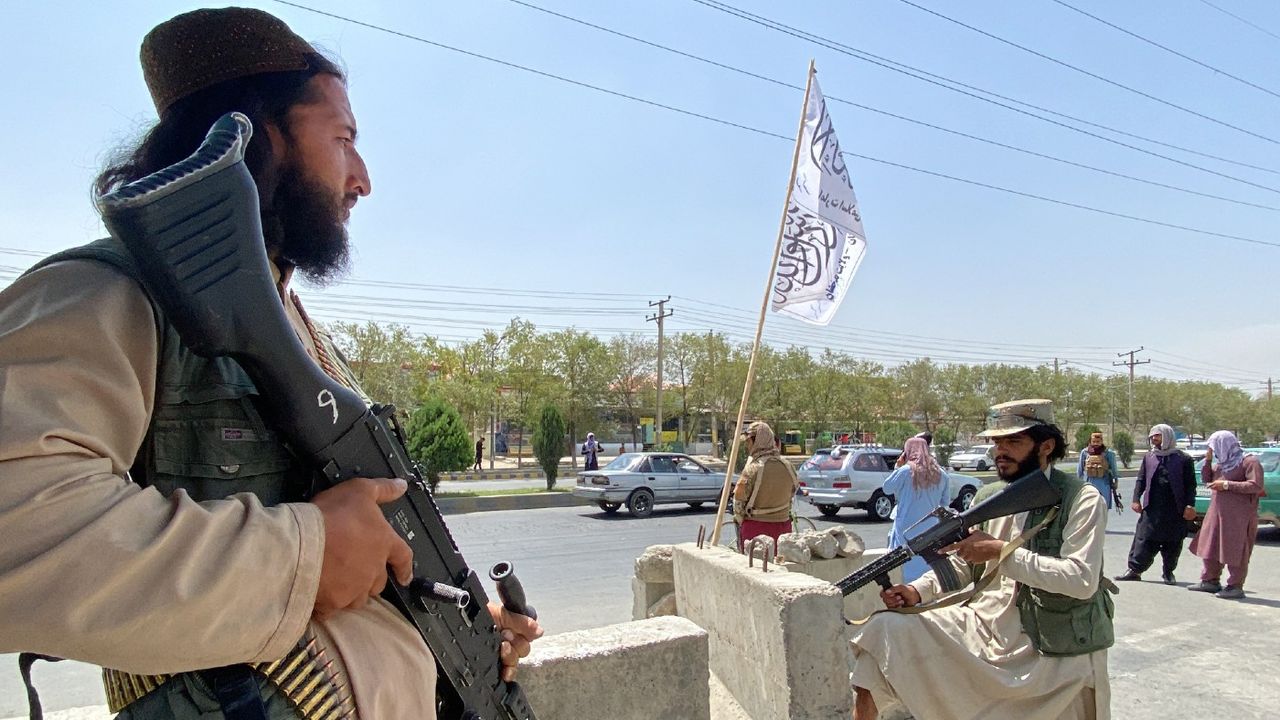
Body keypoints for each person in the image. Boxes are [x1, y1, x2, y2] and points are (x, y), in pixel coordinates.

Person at [0, 8, 540, 718]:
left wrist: (460, 630)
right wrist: (302, 557)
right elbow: (19, 524)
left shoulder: (291, 326)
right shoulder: (109, 293)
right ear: (258, 135)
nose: (363, 178)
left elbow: (363, 568)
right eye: (343, 138)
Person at [850, 399, 1113, 720]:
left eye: (1013, 441)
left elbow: (1081, 581)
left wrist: (1000, 553)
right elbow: (966, 563)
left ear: (1046, 445)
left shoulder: (1081, 499)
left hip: (1048, 645)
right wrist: (918, 591)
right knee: (883, 632)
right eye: (997, 442)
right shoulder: (990, 498)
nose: (1000, 451)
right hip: (986, 626)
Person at [1115, 425, 1197, 585]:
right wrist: (1136, 499)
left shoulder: (1183, 459)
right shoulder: (1149, 457)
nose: (1153, 439)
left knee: (1173, 542)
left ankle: (1168, 573)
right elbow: (1141, 479)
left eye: (1157, 436)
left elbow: (1190, 485)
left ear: (1167, 436)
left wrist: (1189, 504)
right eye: (1152, 436)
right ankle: (1134, 570)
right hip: (1152, 508)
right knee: (1144, 539)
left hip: (1175, 509)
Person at [1188, 430, 1265, 600]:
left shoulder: (1249, 462)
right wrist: (1208, 460)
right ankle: (1209, 580)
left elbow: (1255, 485)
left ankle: (1235, 586)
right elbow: (1206, 477)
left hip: (1239, 517)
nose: (1214, 451)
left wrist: (1227, 485)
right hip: (1217, 514)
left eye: (1215, 447)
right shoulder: (1222, 464)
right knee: (1211, 547)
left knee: (1236, 550)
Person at [882, 437, 950, 582]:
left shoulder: (905, 471)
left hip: (906, 526)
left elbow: (887, 488)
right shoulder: (941, 473)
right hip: (930, 526)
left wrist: (897, 467)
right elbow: (945, 502)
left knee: (905, 562)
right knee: (926, 562)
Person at [732, 421, 800, 551]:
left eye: (748, 442)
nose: (747, 446)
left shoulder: (752, 469)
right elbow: (792, 494)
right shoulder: (788, 466)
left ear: (756, 441)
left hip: (756, 531)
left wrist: (741, 520)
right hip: (783, 530)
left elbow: (738, 503)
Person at [1077, 431, 1120, 510]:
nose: (1096, 443)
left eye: (1098, 441)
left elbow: (1114, 469)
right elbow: (1080, 470)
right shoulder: (1085, 452)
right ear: (1090, 441)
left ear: (1102, 441)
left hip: (1104, 484)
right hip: (1089, 484)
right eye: (1093, 441)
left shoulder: (1109, 453)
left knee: (1102, 508)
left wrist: (1116, 482)